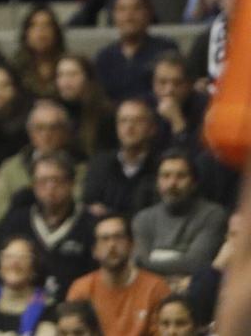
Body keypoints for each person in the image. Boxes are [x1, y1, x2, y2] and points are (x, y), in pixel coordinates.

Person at [0, 152, 94, 292]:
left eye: (57, 180)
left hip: (73, 305)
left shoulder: (89, 224)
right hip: (24, 304)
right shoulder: (16, 221)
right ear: (33, 185)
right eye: (43, 181)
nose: (50, 187)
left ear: (71, 183)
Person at [66, 213, 170, 336]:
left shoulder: (156, 288)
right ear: (94, 250)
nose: (112, 245)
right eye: (105, 239)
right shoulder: (81, 289)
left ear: (132, 245)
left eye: (118, 237)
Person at [132, 151, 227, 279]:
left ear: (194, 183)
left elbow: (196, 263)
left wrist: (148, 264)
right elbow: (138, 266)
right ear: (157, 182)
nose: (172, 184)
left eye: (181, 176)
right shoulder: (143, 219)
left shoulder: (212, 215)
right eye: (166, 176)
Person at [97, 0, 178, 106]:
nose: (128, 16)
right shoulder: (104, 57)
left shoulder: (165, 50)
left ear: (148, 13)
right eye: (122, 9)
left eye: (136, 8)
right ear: (113, 16)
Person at [84, 100, 162, 220]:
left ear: (152, 128)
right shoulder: (99, 165)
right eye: (123, 121)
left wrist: (109, 214)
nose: (129, 127)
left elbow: (152, 216)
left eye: (137, 121)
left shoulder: (160, 167)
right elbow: (91, 208)